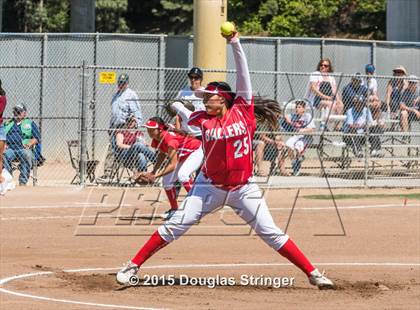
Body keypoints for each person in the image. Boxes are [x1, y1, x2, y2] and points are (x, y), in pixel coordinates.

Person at [116, 31, 334, 290]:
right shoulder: (202, 119)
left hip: (244, 188)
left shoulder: (243, 110)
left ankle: (313, 273)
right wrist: (177, 107)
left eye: (210, 96)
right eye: (204, 97)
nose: (205, 100)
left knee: (271, 233)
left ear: (225, 98)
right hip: (209, 187)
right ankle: (133, 265)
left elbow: (243, 75)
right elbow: (187, 113)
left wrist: (235, 43)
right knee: (176, 225)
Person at [137, 116, 203, 218]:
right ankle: (174, 210)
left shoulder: (170, 139)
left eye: (151, 130)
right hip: (183, 155)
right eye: (147, 129)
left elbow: (173, 165)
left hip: (196, 151)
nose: (149, 132)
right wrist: (153, 172)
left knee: (183, 175)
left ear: (159, 130)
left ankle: (197, 208)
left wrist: (156, 176)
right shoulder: (156, 138)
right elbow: (162, 154)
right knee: (166, 182)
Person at [98, 73, 143, 183]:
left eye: (123, 83)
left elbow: (137, 112)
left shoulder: (131, 95)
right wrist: (110, 126)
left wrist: (135, 125)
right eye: (119, 82)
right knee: (112, 150)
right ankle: (109, 174)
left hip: (125, 127)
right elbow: (114, 114)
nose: (121, 85)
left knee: (125, 151)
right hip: (115, 127)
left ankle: (137, 173)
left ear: (127, 83)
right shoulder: (116, 95)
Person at [3, 104, 41, 186]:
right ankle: (8, 179)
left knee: (27, 154)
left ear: (24, 113)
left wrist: (30, 143)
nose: (16, 113)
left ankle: (23, 182)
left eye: (18, 111)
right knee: (4, 154)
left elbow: (37, 138)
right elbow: (2, 136)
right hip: (10, 149)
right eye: (15, 111)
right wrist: (4, 144)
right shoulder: (8, 123)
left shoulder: (30, 123)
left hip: (23, 148)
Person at [281, 100, 316, 176]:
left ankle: (298, 161)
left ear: (304, 109)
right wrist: (287, 120)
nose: (297, 109)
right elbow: (285, 116)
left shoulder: (307, 116)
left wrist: (303, 130)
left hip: (306, 137)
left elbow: (312, 130)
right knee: (288, 145)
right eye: (296, 107)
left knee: (297, 146)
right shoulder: (294, 115)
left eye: (299, 107)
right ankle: (294, 163)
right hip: (296, 136)